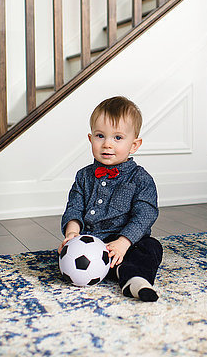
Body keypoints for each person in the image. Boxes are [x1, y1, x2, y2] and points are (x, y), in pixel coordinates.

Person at [58, 96, 163, 302]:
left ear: (134, 145)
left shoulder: (140, 179)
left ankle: (135, 280)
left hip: (127, 243)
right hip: (91, 241)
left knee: (151, 247)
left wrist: (123, 243)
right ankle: (103, 269)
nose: (107, 144)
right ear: (90, 139)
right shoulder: (83, 176)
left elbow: (145, 214)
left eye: (117, 138)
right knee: (67, 253)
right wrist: (72, 234)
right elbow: (74, 208)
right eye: (100, 136)